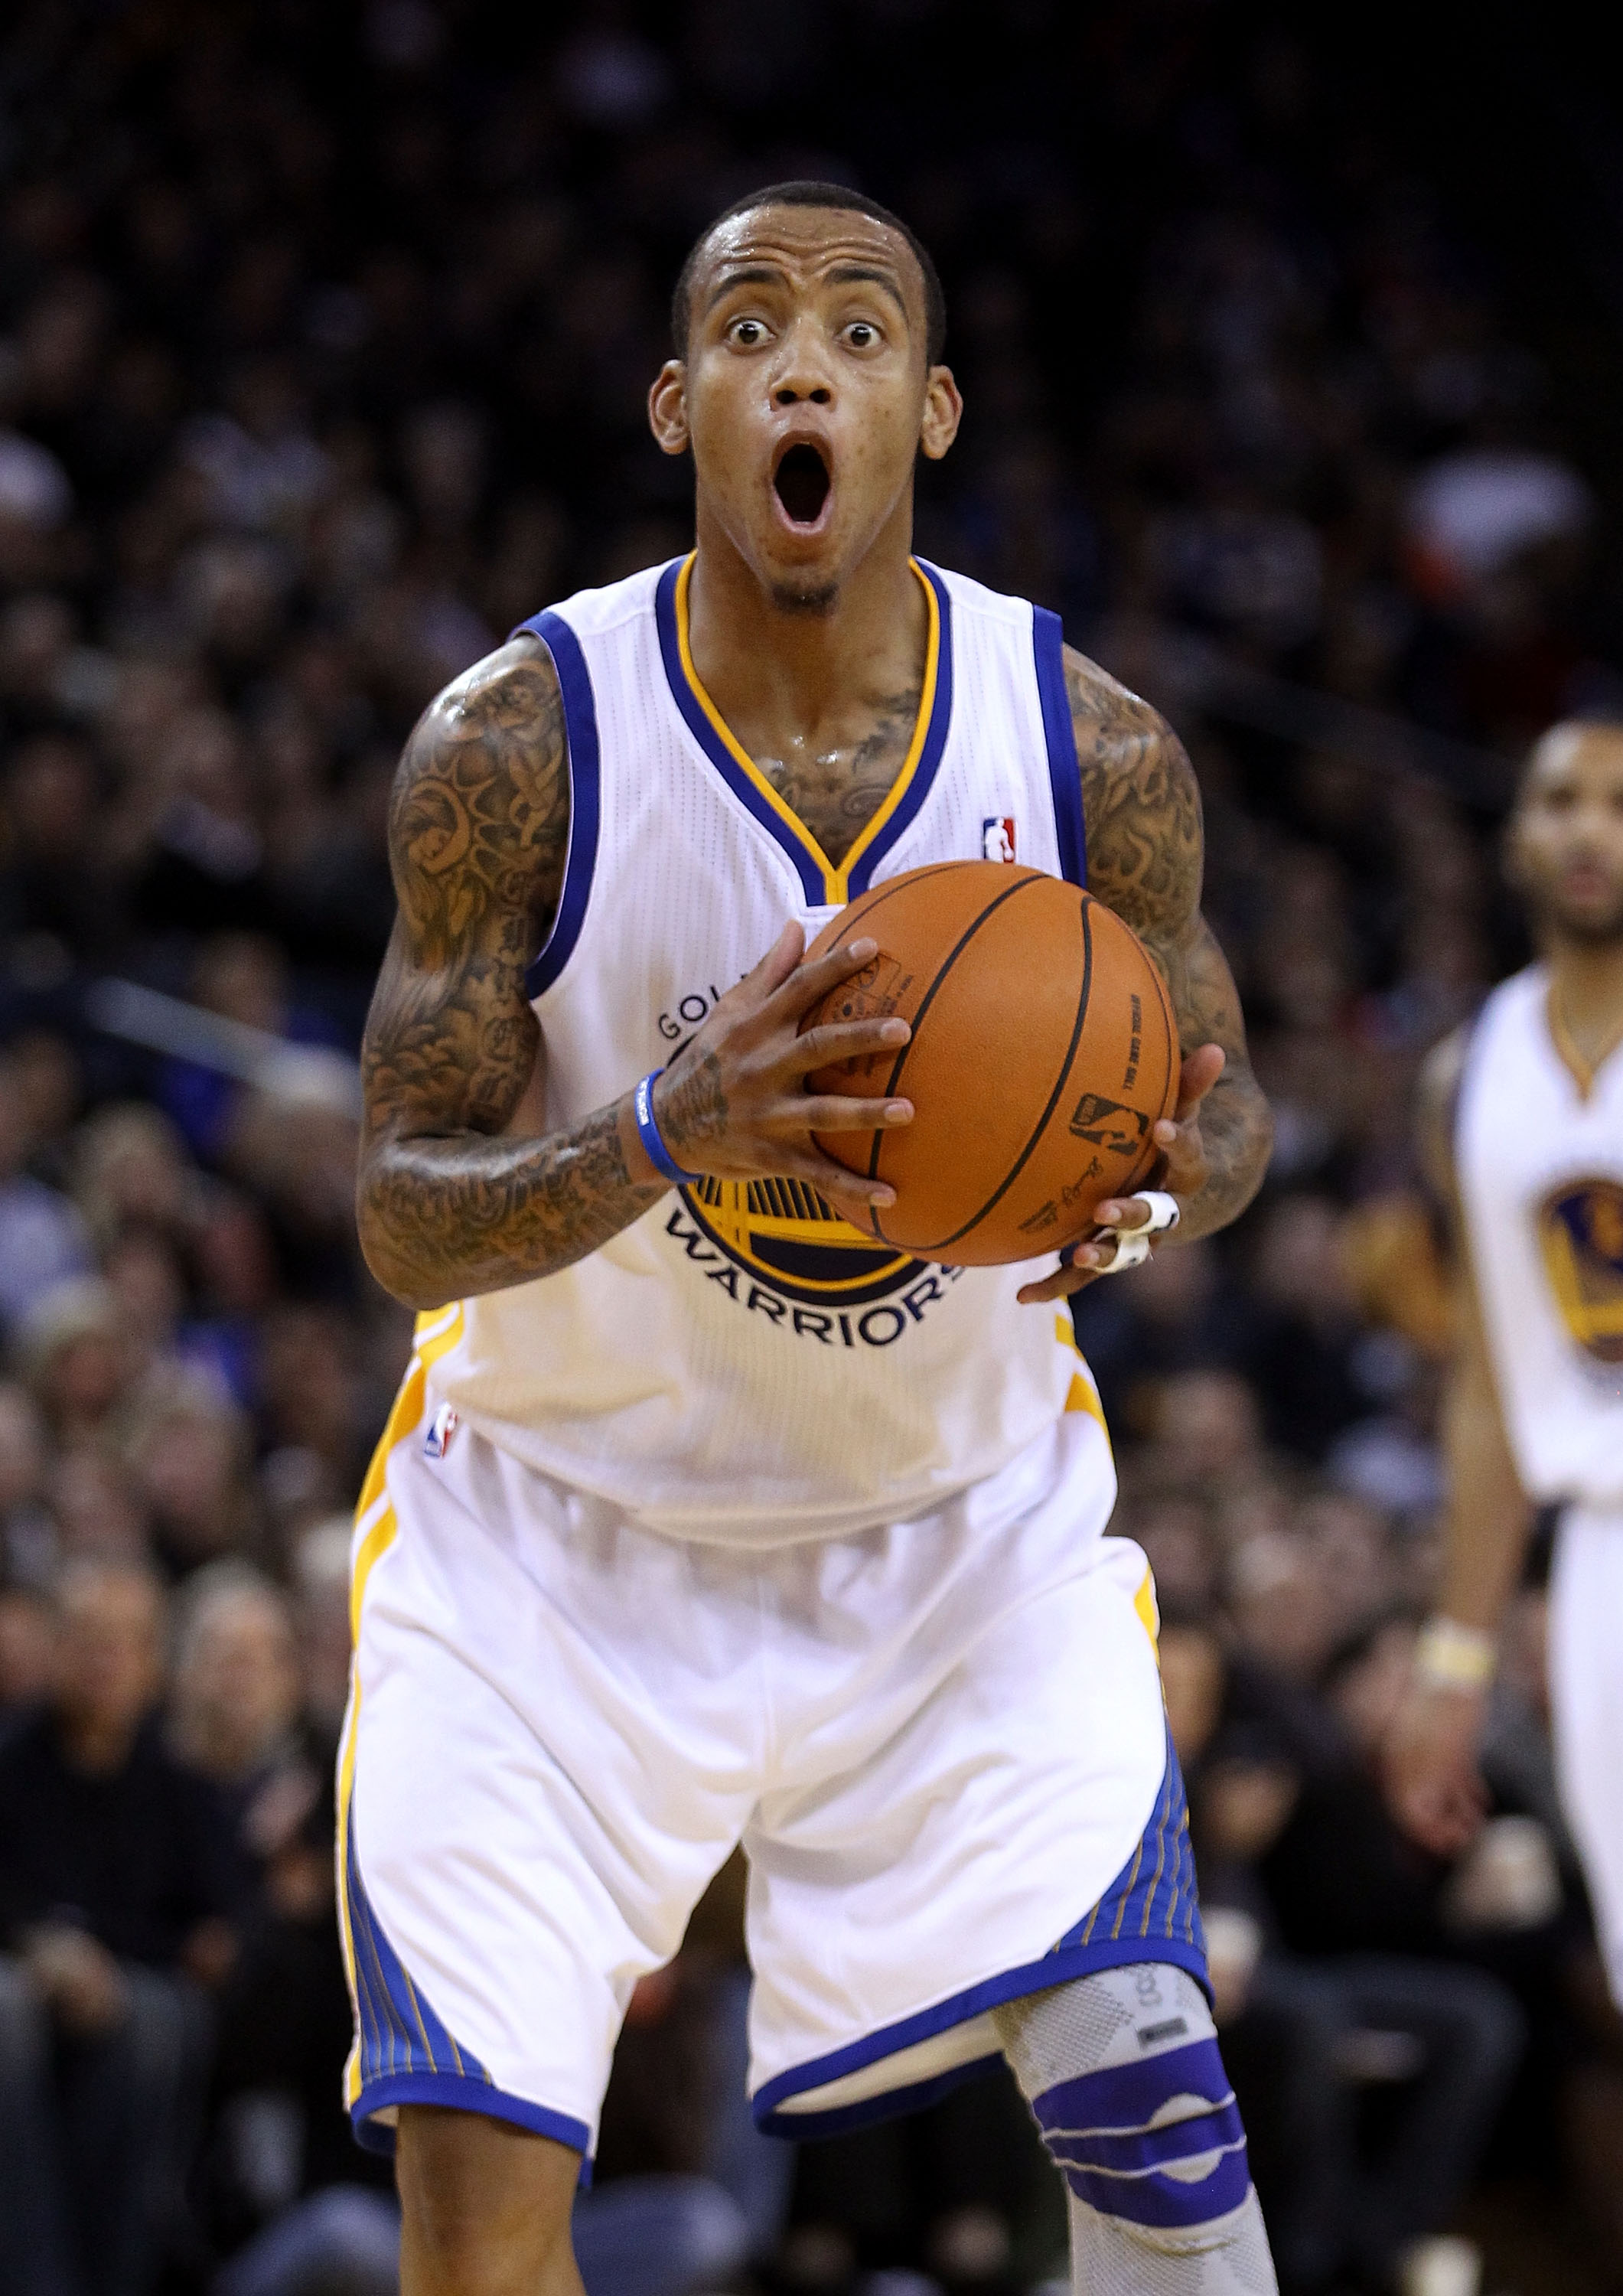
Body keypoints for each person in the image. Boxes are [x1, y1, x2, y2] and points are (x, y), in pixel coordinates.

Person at [347, 181, 1274, 2296]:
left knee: (1165, 2148)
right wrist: (662, 1133)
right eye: (754, 325)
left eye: (858, 333)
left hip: (958, 1534)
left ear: (924, 410)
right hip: (555, 1549)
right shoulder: (517, 747)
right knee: (477, 2236)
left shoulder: (1092, 750)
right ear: (682, 404)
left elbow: (1235, 1113)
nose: (803, 361)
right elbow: (400, 1215)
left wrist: (1157, 1177)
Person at [1387, 718, 1623, 2004]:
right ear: (1518, 837)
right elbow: (1489, 1382)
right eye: (1561, 800)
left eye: (1618, 803)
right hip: (1597, 1553)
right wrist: (1456, 1657)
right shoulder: (1468, 1074)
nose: (1590, 828)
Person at [0, 1557, 241, 2296]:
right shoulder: (11, 1762)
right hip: (22, 1980)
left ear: (152, 1666)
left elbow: (216, 1936)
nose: (104, 1660)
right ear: (54, 1651)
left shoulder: (177, 1786)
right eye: (86, 1638)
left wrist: (99, 1953)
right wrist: (42, 1949)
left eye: (124, 1642)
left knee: (157, 2024)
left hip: (132, 2003)